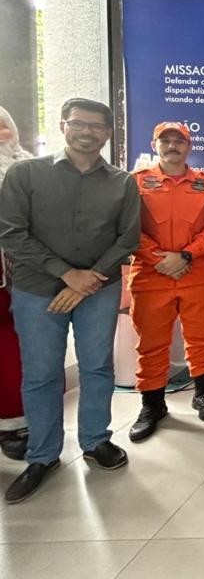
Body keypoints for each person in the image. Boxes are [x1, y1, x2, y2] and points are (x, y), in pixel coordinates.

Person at [0, 98, 140, 504]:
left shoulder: (122, 183)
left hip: (98, 288)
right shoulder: (26, 174)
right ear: (63, 126)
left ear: (108, 133)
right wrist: (66, 274)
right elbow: (11, 233)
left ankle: (96, 440)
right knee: (41, 373)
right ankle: (43, 455)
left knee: (97, 367)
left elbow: (127, 239)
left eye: (96, 126)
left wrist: (85, 281)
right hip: (36, 290)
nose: (87, 132)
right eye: (78, 123)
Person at [126, 122, 204, 442]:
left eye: (178, 141)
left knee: (201, 337)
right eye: (165, 140)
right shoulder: (135, 182)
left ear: (188, 146)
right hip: (150, 275)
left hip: (196, 272)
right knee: (151, 344)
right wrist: (158, 259)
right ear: (154, 145)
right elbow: (126, 227)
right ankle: (152, 405)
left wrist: (185, 255)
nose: (172, 146)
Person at [0, 106, 34, 461]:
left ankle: (17, 423)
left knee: (16, 349)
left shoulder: (30, 169)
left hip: (21, 277)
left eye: (3, 127)